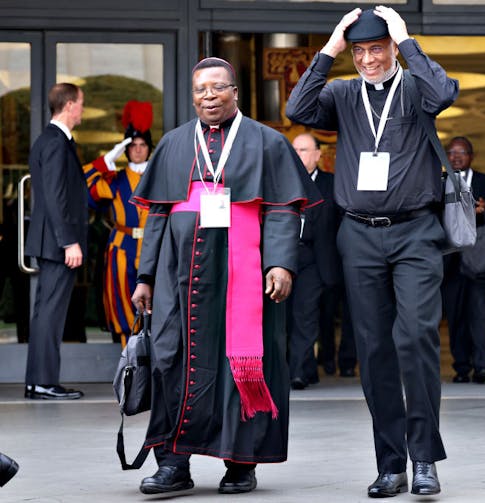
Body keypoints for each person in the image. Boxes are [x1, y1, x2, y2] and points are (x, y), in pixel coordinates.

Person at [286, 6, 458, 497]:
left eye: (375, 48)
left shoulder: (415, 87)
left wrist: (406, 41)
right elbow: (298, 109)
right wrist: (330, 48)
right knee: (375, 349)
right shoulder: (341, 93)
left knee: (418, 337)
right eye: (359, 51)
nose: (367, 59)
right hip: (358, 235)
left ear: (391, 47)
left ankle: (424, 458)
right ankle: (391, 464)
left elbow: (444, 93)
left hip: (416, 232)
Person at [130, 57, 314, 495]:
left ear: (235, 92)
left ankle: (240, 463)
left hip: (244, 276)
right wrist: (146, 276)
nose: (208, 97)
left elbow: (284, 209)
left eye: (217, 88)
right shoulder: (174, 143)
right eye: (200, 90)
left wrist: (281, 263)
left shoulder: (267, 142)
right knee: (173, 363)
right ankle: (174, 463)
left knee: (244, 365)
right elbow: (157, 215)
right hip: (180, 277)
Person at [24, 82, 87, 400]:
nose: (83, 110)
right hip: (57, 243)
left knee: (45, 312)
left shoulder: (51, 141)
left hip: (52, 242)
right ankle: (44, 381)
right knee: (51, 312)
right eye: (81, 104)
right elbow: (55, 197)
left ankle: (38, 380)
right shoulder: (56, 143)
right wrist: (68, 242)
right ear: (69, 106)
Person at [83, 100, 153, 346]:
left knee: (156, 303)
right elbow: (83, 188)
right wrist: (105, 161)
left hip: (153, 246)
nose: (137, 150)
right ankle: (129, 358)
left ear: (149, 147)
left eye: (143, 145)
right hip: (122, 247)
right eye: (132, 145)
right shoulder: (115, 178)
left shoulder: (158, 177)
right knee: (123, 304)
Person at [441, 136, 485, 384]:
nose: (456, 157)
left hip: (479, 260)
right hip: (450, 263)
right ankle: (461, 367)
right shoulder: (439, 181)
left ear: (471, 156)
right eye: (451, 152)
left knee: (480, 314)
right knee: (455, 318)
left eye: (462, 152)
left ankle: (482, 367)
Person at [288, 132, 340, 389]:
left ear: (318, 154)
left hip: (316, 260)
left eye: (304, 150)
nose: (298, 155)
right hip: (285, 258)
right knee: (286, 317)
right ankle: (307, 367)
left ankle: (297, 372)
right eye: (295, 150)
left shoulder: (332, 183)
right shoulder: (281, 181)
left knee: (305, 315)